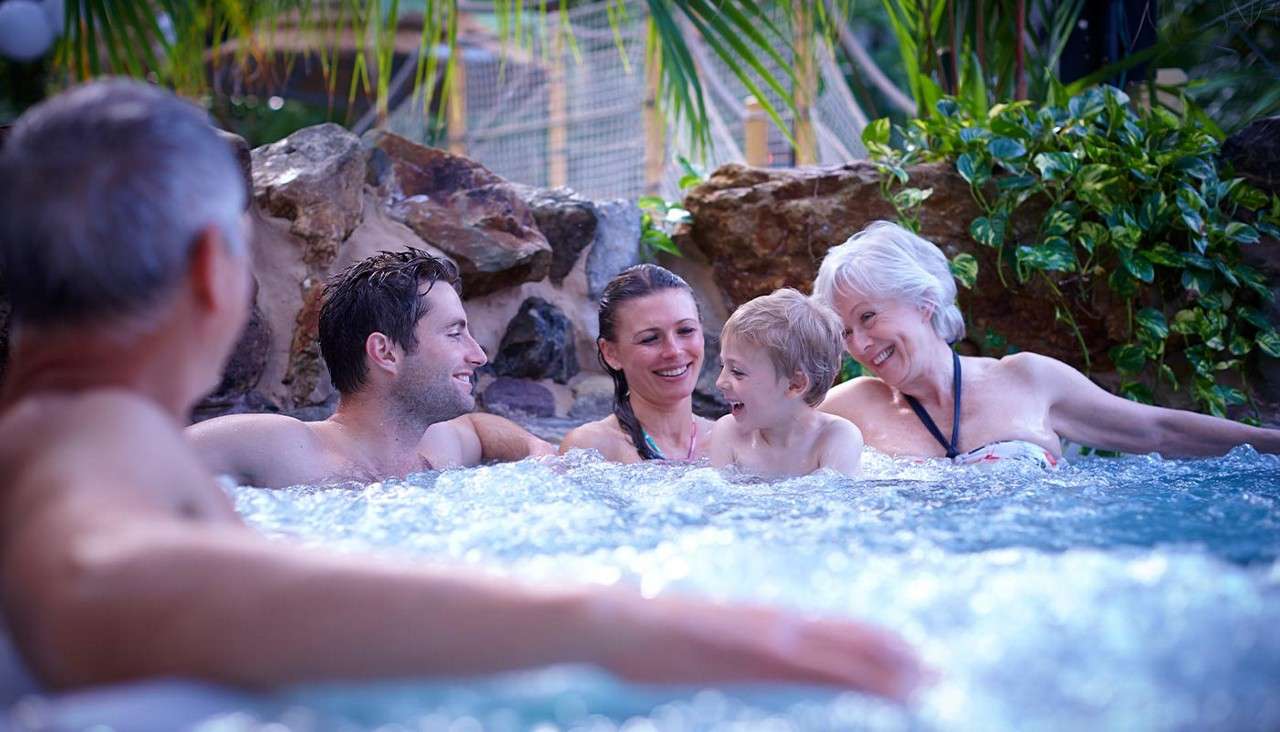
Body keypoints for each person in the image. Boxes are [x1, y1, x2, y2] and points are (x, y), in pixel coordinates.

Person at [0, 79, 921, 698]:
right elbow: (95, 582)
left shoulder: (87, 436)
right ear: (215, 271)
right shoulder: (101, 447)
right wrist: (592, 621)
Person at [813, 220, 1280, 464]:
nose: (859, 343)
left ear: (923, 302)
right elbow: (755, 440)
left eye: (868, 317)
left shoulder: (1028, 379)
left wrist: (1273, 445)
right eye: (846, 331)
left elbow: (1155, 431)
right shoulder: (849, 405)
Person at [187, 249, 553, 488]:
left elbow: (478, 426)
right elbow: (145, 461)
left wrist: (537, 450)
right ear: (385, 351)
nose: (478, 355)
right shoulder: (287, 448)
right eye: (455, 333)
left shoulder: (438, 448)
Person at [560, 264, 714, 462]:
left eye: (685, 330)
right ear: (611, 353)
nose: (674, 351)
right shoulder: (592, 448)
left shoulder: (732, 440)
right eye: (650, 338)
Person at [711, 289, 864, 477]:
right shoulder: (728, 433)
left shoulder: (837, 438)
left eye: (737, 372)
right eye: (722, 365)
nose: (720, 382)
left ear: (795, 384)